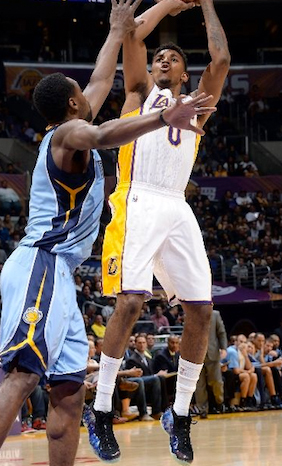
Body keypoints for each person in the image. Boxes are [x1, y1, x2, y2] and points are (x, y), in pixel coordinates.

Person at [0, 0, 212, 464]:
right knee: (20, 377)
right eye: (83, 92)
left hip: (62, 274)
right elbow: (102, 136)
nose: (95, 91)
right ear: (74, 104)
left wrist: (117, 31)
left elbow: (99, 76)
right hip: (41, 261)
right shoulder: (70, 135)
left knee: (69, 394)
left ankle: (98, 417)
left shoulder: (74, 116)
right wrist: (162, 117)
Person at [85, 0, 230, 463]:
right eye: (159, 58)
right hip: (138, 198)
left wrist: (206, 4)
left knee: (202, 310)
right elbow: (132, 36)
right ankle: (102, 409)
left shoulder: (198, 106)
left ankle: (181, 413)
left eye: (174, 60)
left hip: (176, 206)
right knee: (130, 301)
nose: (163, 61)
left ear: (186, 75)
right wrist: (169, 3)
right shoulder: (139, 92)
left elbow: (222, 61)